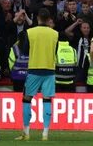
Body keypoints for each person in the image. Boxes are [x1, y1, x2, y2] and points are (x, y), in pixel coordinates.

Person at [18, 8, 59, 141]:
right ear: (49, 20)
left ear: (37, 18)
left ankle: (26, 132)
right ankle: (45, 134)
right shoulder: (55, 34)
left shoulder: (30, 32)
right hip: (49, 70)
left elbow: (24, 51)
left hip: (34, 69)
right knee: (47, 100)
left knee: (27, 100)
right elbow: (55, 51)